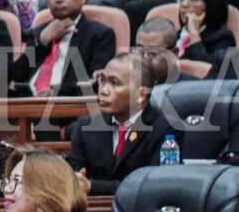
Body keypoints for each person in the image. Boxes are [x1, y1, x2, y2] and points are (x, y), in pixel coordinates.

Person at [62, 53, 165, 186]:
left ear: (141, 95)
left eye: (115, 83)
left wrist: (93, 186)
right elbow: (77, 179)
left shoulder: (165, 128)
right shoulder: (85, 125)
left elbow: (155, 185)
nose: (103, 91)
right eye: (103, 81)